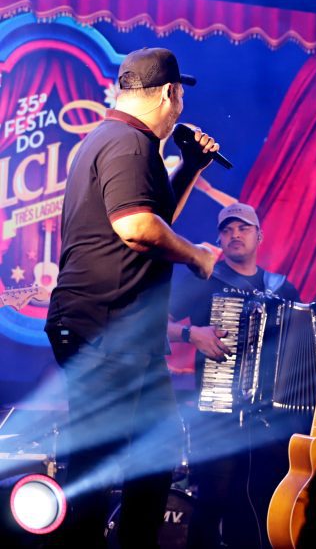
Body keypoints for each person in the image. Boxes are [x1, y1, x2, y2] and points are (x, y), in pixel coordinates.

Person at [44, 47, 220, 548]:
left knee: (153, 457)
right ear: (169, 93)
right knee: (98, 467)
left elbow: (152, 214)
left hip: (122, 335)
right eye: (180, 96)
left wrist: (191, 166)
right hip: (105, 330)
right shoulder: (129, 144)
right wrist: (196, 257)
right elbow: (138, 227)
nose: (181, 105)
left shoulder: (117, 139)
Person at [167, 202, 316, 548]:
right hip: (219, 411)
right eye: (227, 230)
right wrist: (193, 334)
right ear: (219, 239)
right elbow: (158, 325)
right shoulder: (205, 280)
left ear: (259, 236)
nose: (235, 235)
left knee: (263, 501)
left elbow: (308, 347)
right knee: (213, 499)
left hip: (271, 416)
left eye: (243, 228)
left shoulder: (281, 288)